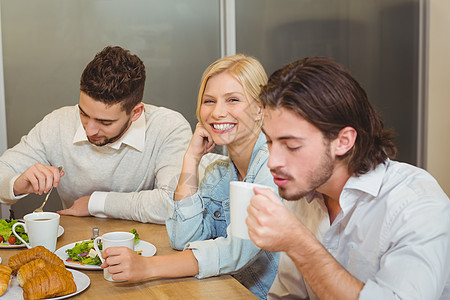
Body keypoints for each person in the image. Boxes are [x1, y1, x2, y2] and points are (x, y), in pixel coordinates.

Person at [245, 56, 450, 299]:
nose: (272, 161)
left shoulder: (416, 204)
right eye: (269, 141)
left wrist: (299, 245)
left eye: (291, 145)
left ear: (343, 141)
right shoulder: (303, 193)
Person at [99, 54, 279, 299]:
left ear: (260, 109)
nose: (217, 112)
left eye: (233, 100)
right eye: (209, 101)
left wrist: (148, 267)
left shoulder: (274, 164)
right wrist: (190, 161)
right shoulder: (220, 173)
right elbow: (182, 238)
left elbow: (237, 250)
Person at [0, 46, 192, 224]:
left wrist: (95, 203)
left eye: (105, 122)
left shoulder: (169, 127)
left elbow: (175, 204)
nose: (89, 130)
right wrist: (17, 184)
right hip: (75, 249)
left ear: (136, 112)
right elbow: (3, 170)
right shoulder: (57, 124)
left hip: (148, 250)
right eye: (83, 113)